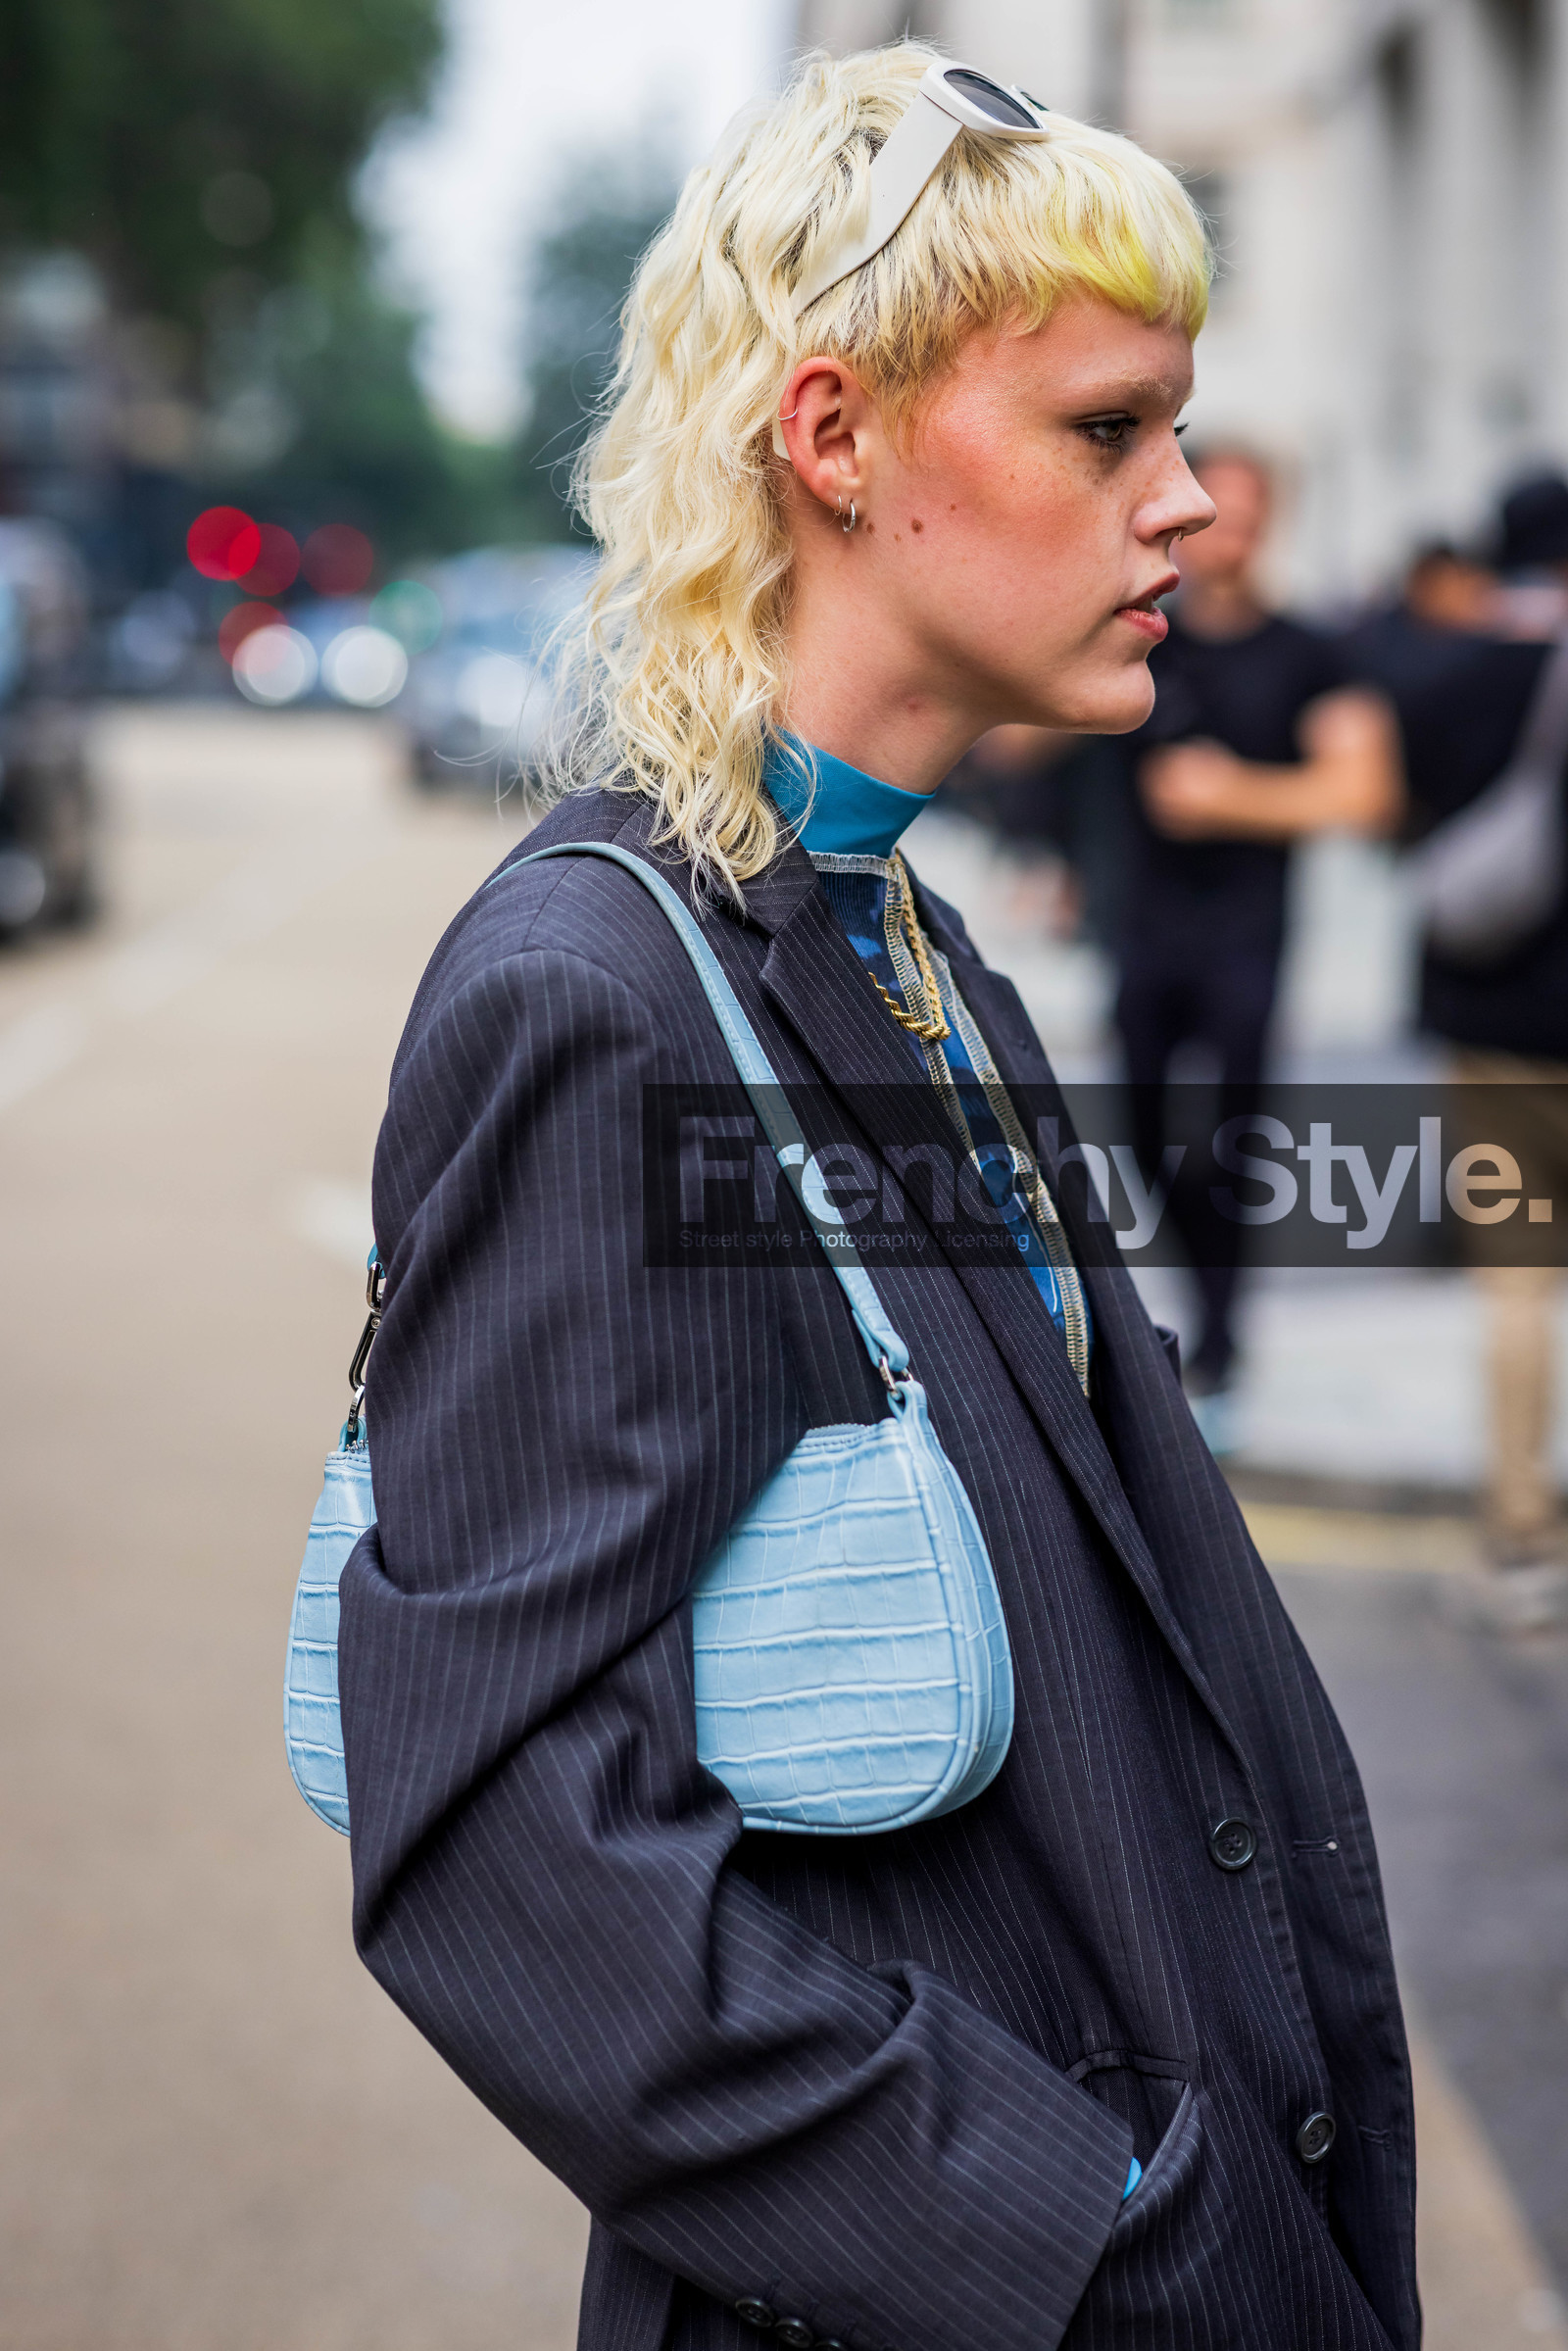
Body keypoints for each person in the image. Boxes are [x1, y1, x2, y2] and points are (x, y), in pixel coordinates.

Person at [337, 47, 1417, 2351]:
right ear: (831, 438)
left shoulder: (907, 944)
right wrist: (1096, 2234)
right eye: (1105, 429)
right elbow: (500, 1838)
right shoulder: (597, 992)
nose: (1193, 507)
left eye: (1179, 428)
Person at [1112, 450, 1401, 1444]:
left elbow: (1364, 793)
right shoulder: (1142, 635)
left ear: (1269, 523)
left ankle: (1224, 1339)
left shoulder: (1312, 652)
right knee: (1144, 1138)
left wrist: (1232, 795)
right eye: (1210, 515)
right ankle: (1204, 1301)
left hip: (1245, 936)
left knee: (1231, 1147)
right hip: (1142, 932)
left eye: (1244, 516)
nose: (1223, 534)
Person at [1361, 477, 1568, 1625]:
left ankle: (1523, 1537)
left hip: (1493, 1031)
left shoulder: (1436, 671)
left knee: (1517, 1286)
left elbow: (1393, 816)